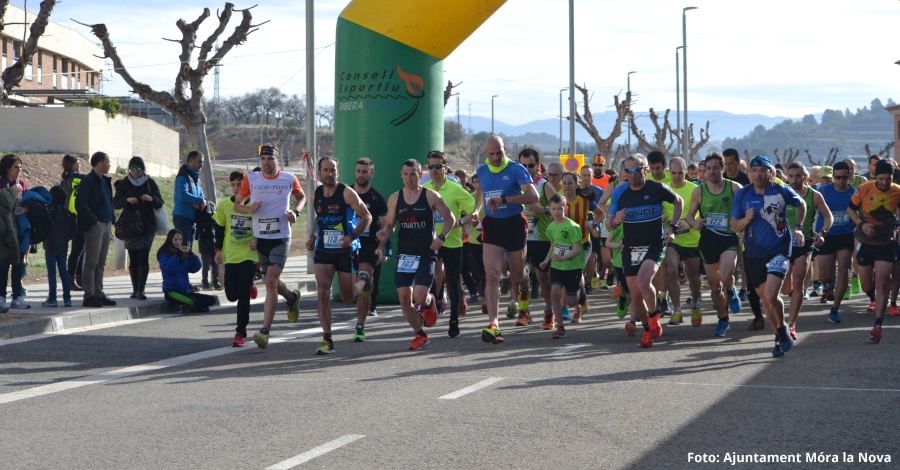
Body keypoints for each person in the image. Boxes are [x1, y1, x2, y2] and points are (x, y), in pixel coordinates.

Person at [731, 156, 806, 357]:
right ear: (749, 173)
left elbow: (801, 204)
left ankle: (781, 331)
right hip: (754, 253)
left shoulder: (781, 190)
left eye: (762, 170)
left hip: (779, 249)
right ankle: (779, 333)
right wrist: (745, 220)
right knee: (766, 299)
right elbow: (733, 225)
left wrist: (798, 228)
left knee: (772, 294)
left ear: (770, 172)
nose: (758, 174)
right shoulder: (743, 194)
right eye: (754, 170)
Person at [377, 159, 456, 349]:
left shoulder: (431, 196)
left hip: (426, 252)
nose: (409, 178)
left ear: (420, 175)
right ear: (401, 175)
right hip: (405, 254)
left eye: (413, 174)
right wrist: (383, 237)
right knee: (404, 297)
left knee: (420, 297)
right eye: (405, 174)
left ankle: (429, 304)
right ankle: (420, 335)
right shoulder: (395, 198)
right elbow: (390, 226)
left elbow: (450, 218)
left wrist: (442, 237)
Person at [237, 145, 308, 350]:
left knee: (270, 282)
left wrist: (296, 212)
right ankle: (292, 297)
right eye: (263, 159)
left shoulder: (288, 178)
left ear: (278, 160)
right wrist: (249, 208)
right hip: (261, 238)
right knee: (272, 281)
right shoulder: (251, 179)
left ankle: (265, 331)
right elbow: (237, 204)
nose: (266, 163)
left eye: (270, 159)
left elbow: (301, 197)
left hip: (281, 237)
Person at [608, 154, 682, 348]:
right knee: (635, 297)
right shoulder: (620, 192)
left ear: (645, 170)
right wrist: (615, 221)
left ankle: (654, 316)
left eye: (637, 169)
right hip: (631, 248)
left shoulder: (656, 188)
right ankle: (647, 330)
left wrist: (672, 227)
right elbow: (609, 224)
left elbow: (679, 202)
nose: (633, 174)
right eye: (629, 171)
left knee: (643, 281)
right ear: (624, 173)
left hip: (654, 245)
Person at [304, 156, 371, 355]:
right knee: (323, 292)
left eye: (333, 170)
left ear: (337, 172)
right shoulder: (315, 195)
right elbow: (320, 218)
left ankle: (364, 281)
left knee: (348, 298)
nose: (329, 173)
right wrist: (313, 236)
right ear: (319, 173)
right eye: (325, 170)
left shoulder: (347, 193)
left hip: (345, 250)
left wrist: (352, 236)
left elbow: (367, 216)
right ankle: (327, 339)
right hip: (324, 250)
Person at [475, 135, 539, 344]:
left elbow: (533, 197)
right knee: (492, 275)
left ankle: (525, 281)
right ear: (486, 152)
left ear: (505, 149)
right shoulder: (482, 170)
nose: (495, 157)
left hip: (514, 224)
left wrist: (504, 199)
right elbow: (480, 192)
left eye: (499, 153)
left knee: (517, 276)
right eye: (491, 154)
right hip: (492, 225)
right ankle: (494, 324)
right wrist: (477, 210)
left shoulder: (516, 169)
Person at [686, 153, 744, 330]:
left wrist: (740, 224)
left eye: (716, 168)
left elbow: (744, 211)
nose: (712, 171)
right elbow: (689, 216)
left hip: (729, 239)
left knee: (726, 276)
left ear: (723, 169)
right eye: (708, 168)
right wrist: (695, 223)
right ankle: (723, 319)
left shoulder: (735, 188)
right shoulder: (699, 191)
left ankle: (732, 290)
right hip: (708, 241)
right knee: (714, 286)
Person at [847, 159, 900, 342]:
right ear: (875, 176)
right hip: (865, 241)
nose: (885, 182)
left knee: (881, 283)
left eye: (888, 179)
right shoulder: (864, 189)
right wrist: (862, 224)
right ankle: (876, 285)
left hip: (886, 243)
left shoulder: (897, 191)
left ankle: (878, 324)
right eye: (882, 178)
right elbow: (850, 210)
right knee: (866, 286)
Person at [424, 151, 476, 337]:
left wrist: (461, 222)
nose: (434, 170)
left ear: (445, 168)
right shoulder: (425, 189)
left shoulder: (456, 189)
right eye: (431, 166)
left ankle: (454, 320)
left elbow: (474, 212)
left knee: (453, 282)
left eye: (438, 166)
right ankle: (430, 308)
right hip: (431, 242)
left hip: (453, 242)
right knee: (428, 277)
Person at [783, 162, 831, 340]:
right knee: (785, 287)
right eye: (791, 176)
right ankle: (795, 294)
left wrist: (823, 232)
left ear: (805, 177)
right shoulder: (782, 193)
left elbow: (828, 216)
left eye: (798, 176)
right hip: (783, 244)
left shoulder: (814, 195)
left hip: (805, 242)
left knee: (799, 282)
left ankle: (792, 324)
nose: (794, 180)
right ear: (787, 177)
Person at [214, 170, 259, 347]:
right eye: (233, 184)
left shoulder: (255, 205)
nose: (236, 188)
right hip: (231, 255)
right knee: (231, 295)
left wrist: (258, 241)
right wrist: (218, 250)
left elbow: (262, 226)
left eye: (240, 184)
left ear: (246, 186)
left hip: (249, 255)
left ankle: (241, 332)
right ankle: (249, 286)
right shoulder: (225, 205)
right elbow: (218, 227)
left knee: (242, 295)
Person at [112, 157, 163, 300]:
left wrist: (151, 199)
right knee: (133, 258)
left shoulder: (149, 182)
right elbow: (115, 203)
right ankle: (135, 289)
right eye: (132, 168)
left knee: (143, 257)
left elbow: (160, 202)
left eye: (138, 169)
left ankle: (141, 289)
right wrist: (126, 200)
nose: (135, 172)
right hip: (130, 226)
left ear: (143, 169)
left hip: (147, 226)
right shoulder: (123, 184)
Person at [351, 157, 389, 341]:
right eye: (358, 171)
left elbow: (386, 226)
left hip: (369, 245)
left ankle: (360, 326)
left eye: (365, 171)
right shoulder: (347, 193)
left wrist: (382, 247)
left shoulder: (377, 198)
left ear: (372, 173)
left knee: (363, 279)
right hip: (348, 244)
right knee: (350, 290)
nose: (361, 174)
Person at [662, 158, 702, 328]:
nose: (677, 176)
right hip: (673, 239)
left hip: (693, 239)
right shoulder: (664, 190)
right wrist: (662, 219)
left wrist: (690, 221)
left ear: (686, 171)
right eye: (673, 173)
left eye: (680, 172)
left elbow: (701, 214)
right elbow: (660, 211)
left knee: (693, 277)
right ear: (668, 172)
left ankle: (695, 305)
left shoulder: (694, 189)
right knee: (671, 270)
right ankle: (677, 310)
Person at [519, 149, 557, 328]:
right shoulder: (514, 184)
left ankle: (549, 313)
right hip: (520, 237)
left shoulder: (544, 185)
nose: (527, 168)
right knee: (519, 276)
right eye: (523, 165)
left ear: (538, 165)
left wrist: (542, 209)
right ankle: (524, 312)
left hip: (541, 238)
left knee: (544, 279)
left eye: (531, 165)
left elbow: (559, 209)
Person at [814, 161, 856, 323]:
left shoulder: (853, 193)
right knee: (825, 275)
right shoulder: (822, 191)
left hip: (845, 234)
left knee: (844, 270)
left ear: (849, 177)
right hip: (826, 235)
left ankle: (835, 309)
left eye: (844, 177)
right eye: (837, 178)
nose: (840, 181)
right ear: (833, 177)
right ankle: (827, 286)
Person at [75, 152, 117, 308]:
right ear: (100, 163)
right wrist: (94, 221)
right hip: (95, 225)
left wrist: (112, 218)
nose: (109, 164)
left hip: (106, 224)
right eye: (108, 162)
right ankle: (89, 296)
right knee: (91, 262)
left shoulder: (105, 181)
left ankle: (99, 293)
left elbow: (109, 202)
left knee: (101, 262)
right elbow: (81, 204)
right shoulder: (88, 180)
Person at [539, 193, 583, 339]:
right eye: (553, 209)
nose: (557, 212)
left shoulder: (572, 226)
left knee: (571, 302)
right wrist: (546, 260)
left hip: (573, 267)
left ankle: (580, 292)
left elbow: (577, 249)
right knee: (555, 293)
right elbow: (553, 245)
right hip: (557, 266)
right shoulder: (551, 227)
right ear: (549, 210)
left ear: (566, 208)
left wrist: (564, 257)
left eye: (559, 209)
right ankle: (559, 327)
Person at [561, 171, 601, 322]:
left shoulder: (584, 200)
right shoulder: (559, 201)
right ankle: (581, 304)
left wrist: (593, 224)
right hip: (565, 246)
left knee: (577, 273)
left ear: (576, 184)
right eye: (564, 183)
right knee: (568, 277)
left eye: (570, 183)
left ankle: (578, 309)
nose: (567, 186)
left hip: (584, 243)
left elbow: (601, 214)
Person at [158, 229, 217, 313]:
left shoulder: (184, 254)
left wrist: (191, 254)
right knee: (192, 301)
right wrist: (177, 255)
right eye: (175, 240)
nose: (178, 242)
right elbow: (168, 270)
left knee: (211, 299)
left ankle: (187, 306)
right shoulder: (164, 253)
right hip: (172, 292)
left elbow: (195, 268)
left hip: (184, 291)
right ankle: (188, 306)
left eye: (180, 239)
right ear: (170, 240)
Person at [0, 155, 29, 310]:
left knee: (18, 264)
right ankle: (1, 297)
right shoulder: (1, 183)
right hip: (4, 230)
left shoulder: (22, 184)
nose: (19, 170)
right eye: (16, 167)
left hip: (19, 228)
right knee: (3, 264)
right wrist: (11, 192)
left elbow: (29, 201)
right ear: (7, 169)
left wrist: (27, 208)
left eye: (20, 167)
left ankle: (17, 296)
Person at [41, 186, 75, 307]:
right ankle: (67, 298)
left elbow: (44, 229)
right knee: (63, 272)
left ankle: (52, 298)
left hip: (50, 245)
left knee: (52, 273)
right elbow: (72, 231)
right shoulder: (68, 213)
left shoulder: (48, 211)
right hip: (63, 245)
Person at [173, 151, 210, 250]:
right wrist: (199, 201)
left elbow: (201, 195)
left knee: (187, 248)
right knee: (184, 248)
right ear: (191, 161)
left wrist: (201, 202)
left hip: (191, 219)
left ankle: (185, 265)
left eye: (202, 162)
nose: (202, 164)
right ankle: (181, 265)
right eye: (199, 162)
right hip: (182, 218)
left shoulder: (196, 178)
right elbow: (182, 195)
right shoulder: (183, 176)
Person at [60, 155, 87, 292]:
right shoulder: (76, 177)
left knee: (80, 249)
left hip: (69, 217)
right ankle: (72, 280)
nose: (80, 166)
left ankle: (78, 278)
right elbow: (89, 178)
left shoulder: (64, 180)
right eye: (78, 163)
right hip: (76, 217)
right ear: (72, 165)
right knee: (78, 250)